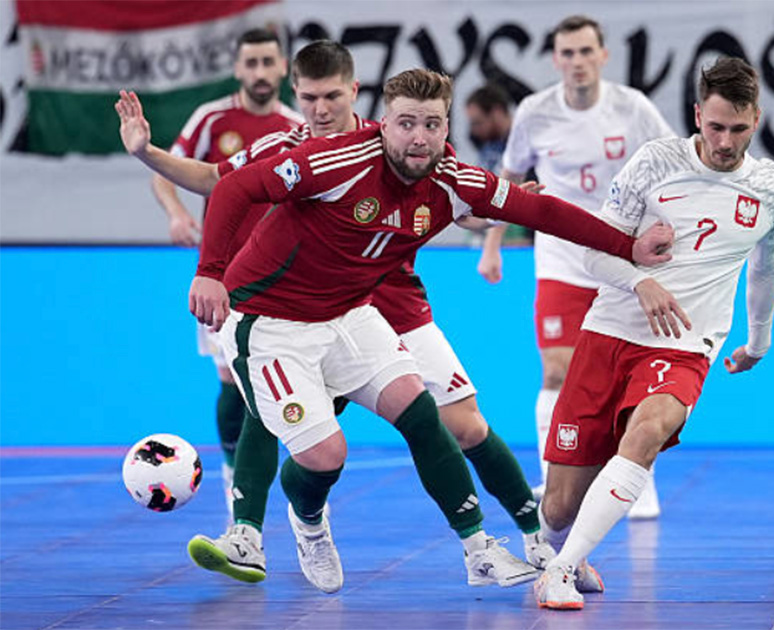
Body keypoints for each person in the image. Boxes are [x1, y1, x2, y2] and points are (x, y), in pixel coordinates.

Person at [188, 68, 674, 595]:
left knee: (422, 412)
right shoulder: (336, 161)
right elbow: (234, 185)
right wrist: (209, 271)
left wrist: (628, 245)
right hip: (269, 319)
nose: (418, 137)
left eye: (431, 124)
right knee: (325, 456)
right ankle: (302, 522)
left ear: (446, 127)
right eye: (406, 124)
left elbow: (543, 211)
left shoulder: (453, 179)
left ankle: (479, 550)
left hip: (349, 313)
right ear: (383, 124)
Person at [117, 41, 557, 587]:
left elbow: (455, 199)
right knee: (275, 413)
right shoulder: (286, 144)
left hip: (388, 301)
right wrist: (146, 153)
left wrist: (500, 209)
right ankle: (252, 532)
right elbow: (215, 179)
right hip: (297, 304)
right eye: (308, 98)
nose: (320, 110)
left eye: (331, 97)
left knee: (462, 423)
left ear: (354, 91)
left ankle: (536, 539)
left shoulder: (395, 137)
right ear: (295, 95)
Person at [534, 56, 774, 609]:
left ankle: (561, 568)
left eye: (738, 129)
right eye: (715, 126)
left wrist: (759, 341)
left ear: (757, 119)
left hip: (685, 345)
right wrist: (640, 282)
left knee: (648, 432)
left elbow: (766, 268)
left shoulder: (771, 189)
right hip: (610, 331)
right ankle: (558, 549)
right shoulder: (655, 162)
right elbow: (593, 253)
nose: (725, 142)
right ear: (698, 115)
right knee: (558, 508)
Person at [477, 16, 675, 522]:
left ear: (603, 55)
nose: (577, 62)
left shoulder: (633, 108)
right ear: (555, 59)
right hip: (561, 258)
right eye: (568, 53)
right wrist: (492, 243)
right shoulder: (535, 111)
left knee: (630, 379)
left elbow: (674, 165)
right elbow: (509, 179)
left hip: (623, 258)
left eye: (586, 51)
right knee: (557, 370)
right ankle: (555, 474)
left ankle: (636, 482)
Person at [147, 27, 304, 515]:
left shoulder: (297, 126)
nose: (260, 72)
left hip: (285, 279)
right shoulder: (212, 118)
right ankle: (236, 480)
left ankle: (304, 484)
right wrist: (176, 212)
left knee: (287, 382)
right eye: (250, 63)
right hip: (223, 277)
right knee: (232, 380)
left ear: (283, 68)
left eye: (268, 62)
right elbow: (166, 172)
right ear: (238, 69)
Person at [465, 84, 532, 246]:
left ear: (497, 112)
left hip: (518, 240)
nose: (474, 131)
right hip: (483, 234)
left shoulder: (526, 144)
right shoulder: (486, 141)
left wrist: (530, 239)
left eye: (478, 122)